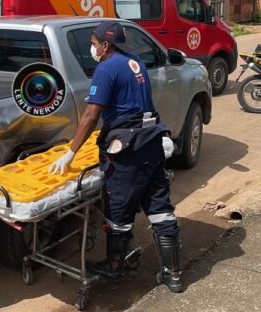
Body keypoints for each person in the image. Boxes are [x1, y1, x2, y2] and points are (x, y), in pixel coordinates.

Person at [48, 21, 183, 293]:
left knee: (119, 211)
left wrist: (71, 152)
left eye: (95, 43)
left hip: (129, 150)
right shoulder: (135, 62)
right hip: (151, 142)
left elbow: (91, 114)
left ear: (106, 45)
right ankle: (174, 274)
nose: (93, 48)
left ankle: (114, 265)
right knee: (160, 209)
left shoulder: (106, 67)